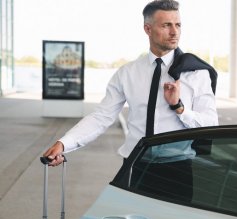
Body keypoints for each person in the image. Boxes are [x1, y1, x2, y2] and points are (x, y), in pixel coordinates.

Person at [43, 0, 218, 168]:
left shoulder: (196, 73)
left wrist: (179, 108)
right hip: (134, 164)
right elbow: (101, 117)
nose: (174, 32)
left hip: (178, 167)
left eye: (178, 25)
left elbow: (210, 126)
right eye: (166, 25)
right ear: (147, 29)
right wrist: (64, 143)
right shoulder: (127, 73)